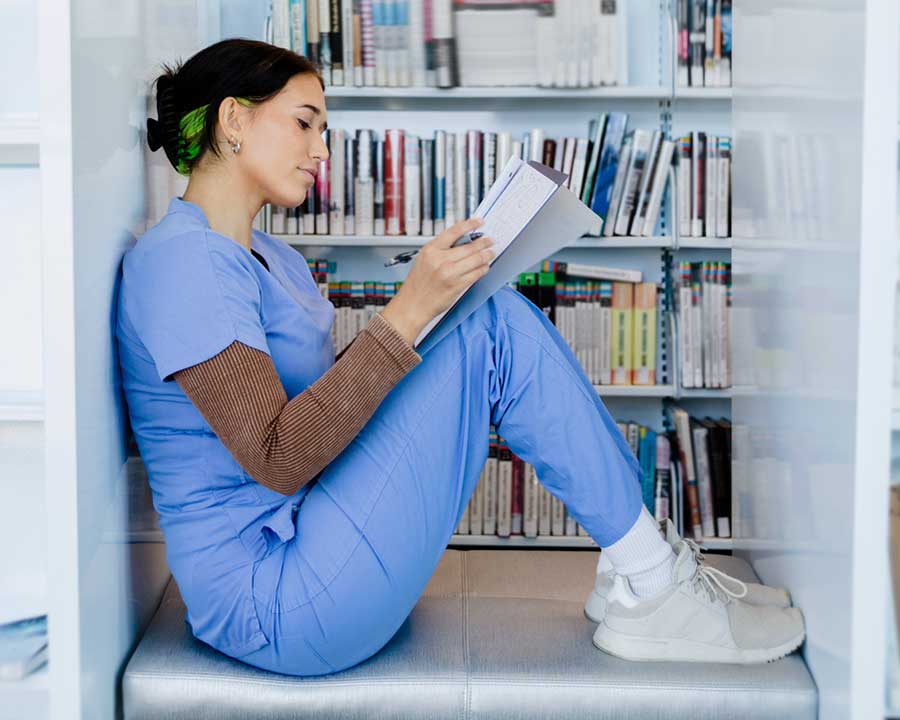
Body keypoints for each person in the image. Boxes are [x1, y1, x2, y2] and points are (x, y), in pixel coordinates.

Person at [116, 38, 804, 676]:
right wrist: (409, 311)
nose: (322, 149)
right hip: (271, 599)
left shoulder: (270, 259)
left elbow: (326, 407)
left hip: (309, 537)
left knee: (484, 313)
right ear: (233, 120)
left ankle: (639, 568)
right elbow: (277, 457)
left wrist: (430, 310)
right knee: (494, 324)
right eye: (305, 122)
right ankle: (651, 580)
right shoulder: (186, 263)